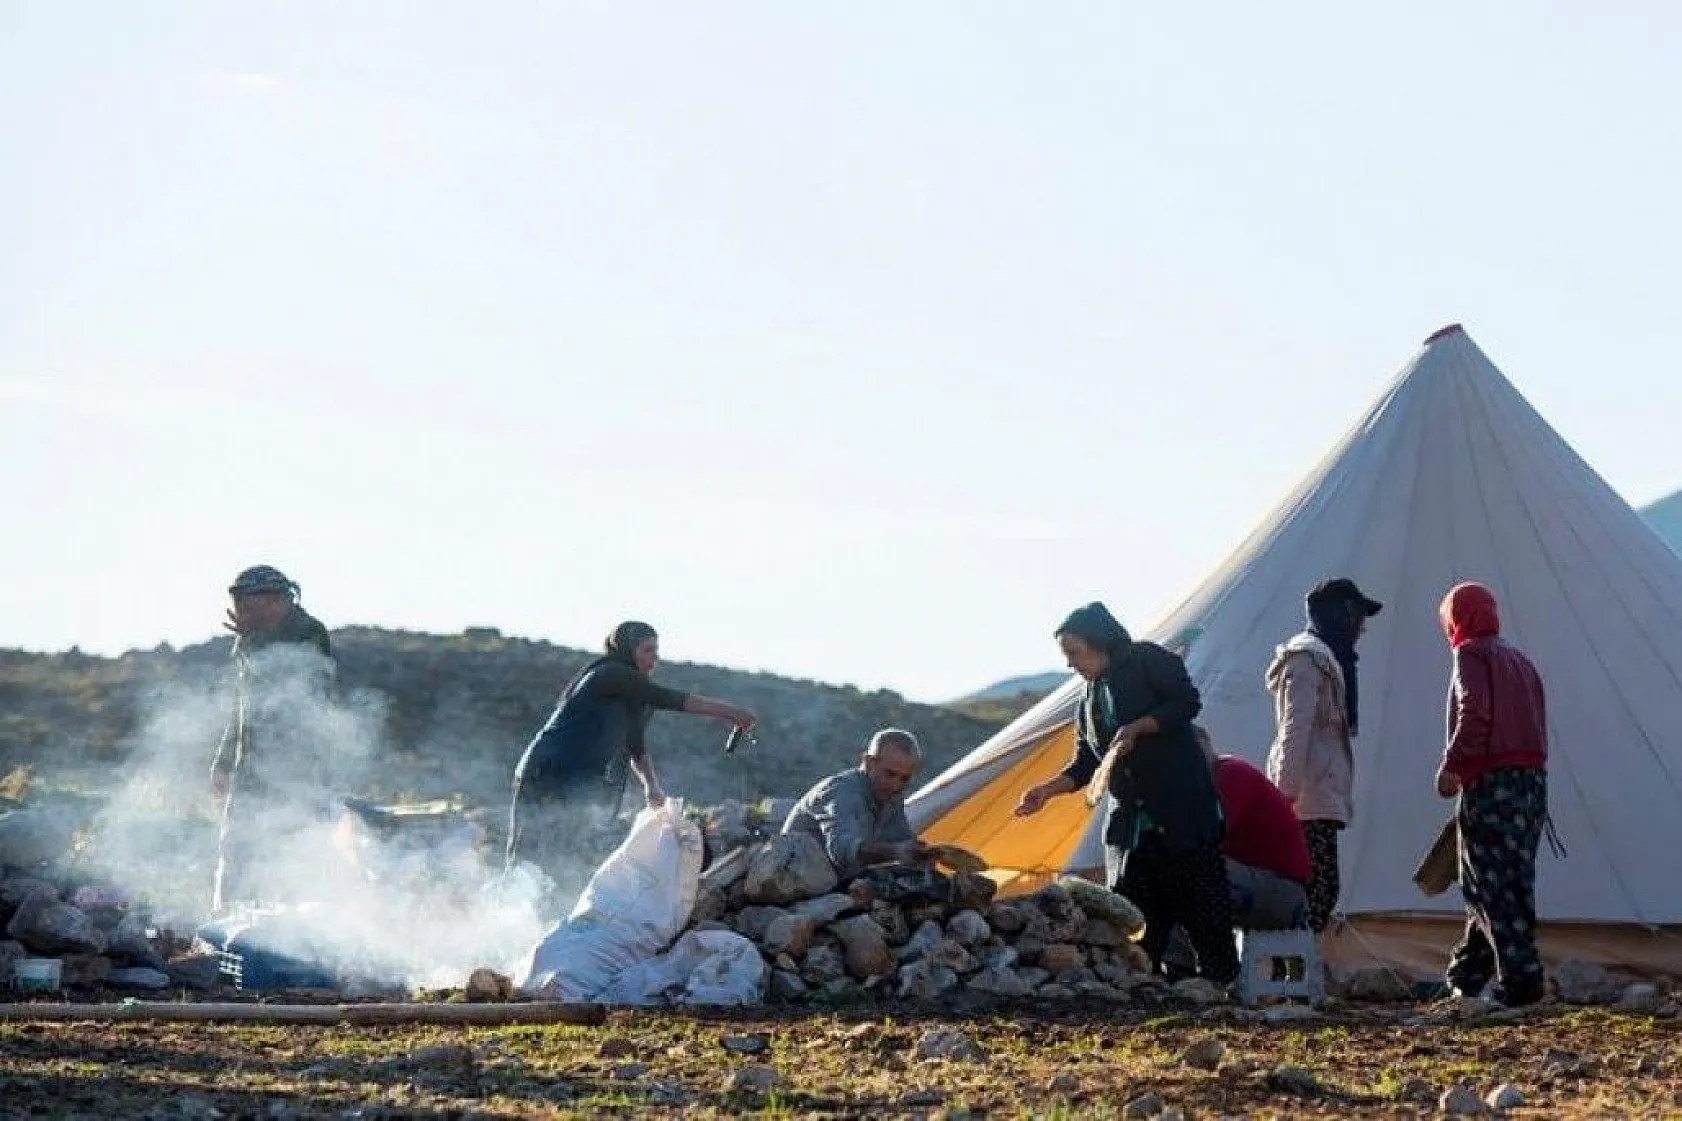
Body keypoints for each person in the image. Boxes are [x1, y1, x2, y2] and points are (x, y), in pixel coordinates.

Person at [1014, 602, 1238, 985]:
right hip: (1132, 826)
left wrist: (1141, 726)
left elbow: (1185, 702)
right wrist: (1046, 792)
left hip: (1179, 810)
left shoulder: (1146, 660)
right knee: (1134, 916)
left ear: (1098, 642)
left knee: (1203, 909)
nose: (1071, 664)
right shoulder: (1087, 702)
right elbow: (1087, 763)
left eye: (1074, 652)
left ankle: (1222, 989)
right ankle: (1144, 990)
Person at [506, 620, 756, 907]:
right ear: (627, 649)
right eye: (647, 650)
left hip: (577, 777)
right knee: (528, 853)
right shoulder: (611, 674)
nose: (654, 658)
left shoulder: (630, 692)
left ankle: (551, 916)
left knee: (567, 849)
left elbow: (634, 742)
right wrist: (730, 712)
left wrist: (652, 787)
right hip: (549, 770)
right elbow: (667, 698)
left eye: (656, 651)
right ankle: (504, 920)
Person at [1435, 582, 1549, 1007]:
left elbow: (1475, 712)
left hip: (1491, 781)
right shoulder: (1519, 659)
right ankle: (1467, 976)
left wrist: (1454, 766)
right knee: (1510, 879)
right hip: (1531, 782)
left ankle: (1521, 980)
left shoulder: (1472, 654)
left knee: (1487, 884)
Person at [208, 564, 337, 912]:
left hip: (298, 773)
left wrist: (251, 642)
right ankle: (227, 939)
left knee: (295, 864)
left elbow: (289, 687)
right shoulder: (252, 639)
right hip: (250, 772)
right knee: (238, 857)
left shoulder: (308, 632)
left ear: (274, 601)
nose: (241, 616)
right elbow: (243, 708)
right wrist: (222, 761)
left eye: (248, 607)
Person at [1265, 577, 1382, 933]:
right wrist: (1285, 793)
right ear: (1339, 615)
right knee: (1315, 888)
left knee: (1319, 888)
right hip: (1305, 798)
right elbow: (1295, 728)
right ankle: (1291, 969)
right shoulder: (1306, 661)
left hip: (1319, 793)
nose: (1362, 627)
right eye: (1357, 616)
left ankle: (1297, 969)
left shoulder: (1331, 661)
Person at [781, 728, 931, 880]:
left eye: (904, 779)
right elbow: (842, 851)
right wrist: (895, 852)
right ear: (869, 762)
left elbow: (902, 841)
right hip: (792, 879)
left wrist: (922, 854)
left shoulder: (890, 796)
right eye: (890, 774)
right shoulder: (843, 791)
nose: (896, 785)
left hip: (836, 881)